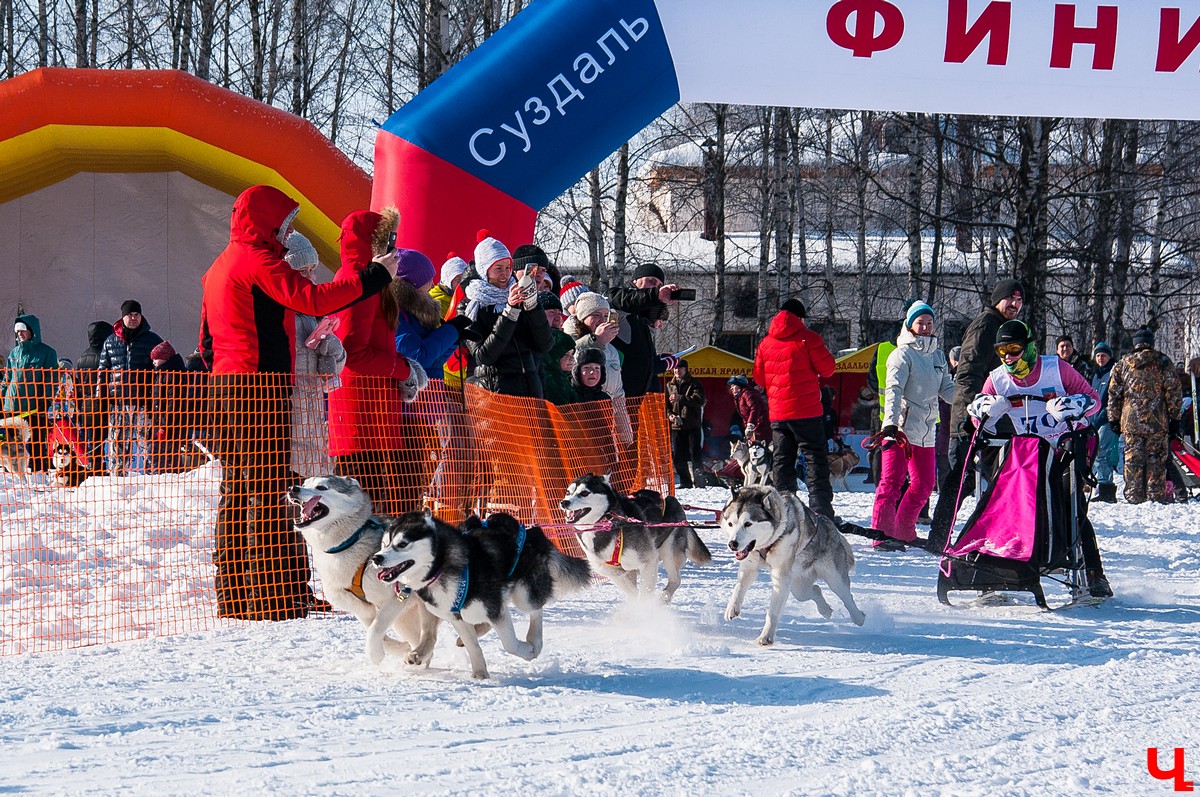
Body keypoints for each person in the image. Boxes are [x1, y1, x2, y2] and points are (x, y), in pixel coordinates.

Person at [199, 184, 397, 621]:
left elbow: (206, 341)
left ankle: (235, 595)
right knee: (270, 489)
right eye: (284, 221)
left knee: (239, 488)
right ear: (266, 220)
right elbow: (311, 297)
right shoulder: (257, 258)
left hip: (227, 387)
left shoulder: (217, 267)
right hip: (261, 388)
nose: (288, 230)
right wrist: (374, 275)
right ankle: (271, 597)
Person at [970, 319, 1110, 598]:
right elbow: (976, 417)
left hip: (1067, 444)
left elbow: (1094, 400)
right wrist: (986, 409)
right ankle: (995, 570)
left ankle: (1094, 572)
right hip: (1028, 452)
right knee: (1006, 500)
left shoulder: (1056, 369)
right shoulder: (998, 378)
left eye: (1015, 348)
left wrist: (1073, 405)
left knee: (1071, 502)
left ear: (1029, 347)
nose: (1009, 357)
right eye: (1002, 350)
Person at [326, 209, 425, 518]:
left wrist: (402, 366)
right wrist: (402, 370)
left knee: (385, 510)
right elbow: (352, 354)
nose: (394, 250)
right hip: (361, 421)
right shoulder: (358, 281)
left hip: (376, 414)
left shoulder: (373, 282)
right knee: (363, 514)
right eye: (389, 242)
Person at [870, 302, 955, 548]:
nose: (926, 327)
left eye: (929, 323)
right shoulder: (902, 354)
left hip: (926, 430)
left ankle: (904, 531)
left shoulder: (938, 355)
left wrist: (967, 398)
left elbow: (946, 388)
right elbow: (894, 390)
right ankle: (882, 535)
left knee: (924, 484)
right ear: (910, 325)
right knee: (891, 483)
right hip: (900, 430)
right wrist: (890, 425)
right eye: (921, 323)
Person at [392, 247, 472, 510]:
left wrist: (456, 335)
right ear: (413, 283)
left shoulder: (418, 311)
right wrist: (450, 331)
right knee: (408, 481)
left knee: (417, 478)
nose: (432, 283)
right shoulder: (397, 313)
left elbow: (434, 360)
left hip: (424, 406)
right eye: (427, 279)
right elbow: (418, 355)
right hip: (406, 409)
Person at [753, 298, 838, 519]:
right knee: (814, 459)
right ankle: (821, 511)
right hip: (807, 411)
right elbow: (828, 368)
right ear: (800, 318)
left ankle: (783, 511)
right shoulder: (808, 339)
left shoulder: (765, 343)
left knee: (782, 461)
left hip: (779, 414)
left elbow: (760, 379)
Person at [283, 232, 347, 481]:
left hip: (311, 418)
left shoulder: (313, 312)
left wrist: (334, 352)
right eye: (303, 271)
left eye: (313, 269)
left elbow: (336, 368)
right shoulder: (283, 315)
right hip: (286, 420)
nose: (310, 277)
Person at [948, 278, 1024, 482]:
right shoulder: (986, 326)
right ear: (998, 299)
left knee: (1002, 482)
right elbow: (968, 374)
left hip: (1000, 418)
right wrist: (970, 416)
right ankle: (945, 516)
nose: (1015, 304)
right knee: (962, 482)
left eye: (1019, 299)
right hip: (974, 419)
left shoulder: (1008, 328)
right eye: (1010, 298)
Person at [462, 230, 552, 398]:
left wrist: (533, 307)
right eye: (498, 268)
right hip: (493, 395)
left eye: (507, 267)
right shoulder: (471, 305)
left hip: (528, 392)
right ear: (484, 270)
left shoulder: (518, 292)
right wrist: (509, 313)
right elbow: (484, 356)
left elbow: (544, 344)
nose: (504, 274)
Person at [1107, 327, 1183, 505]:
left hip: (1131, 422)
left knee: (1132, 459)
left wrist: (1113, 418)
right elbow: (1174, 392)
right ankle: (1155, 497)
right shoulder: (1163, 362)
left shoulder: (1122, 364)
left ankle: (1134, 495)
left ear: (1135, 344)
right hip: (1158, 422)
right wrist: (1175, 418)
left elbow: (1114, 394)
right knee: (1156, 459)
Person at [98, 300, 164, 476]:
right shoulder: (110, 342)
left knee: (147, 442)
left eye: (136, 315)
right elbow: (103, 371)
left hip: (144, 403)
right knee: (118, 442)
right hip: (118, 404)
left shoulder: (153, 340)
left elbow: (161, 370)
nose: (133, 318)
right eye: (130, 315)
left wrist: (157, 399)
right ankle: (117, 478)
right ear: (123, 317)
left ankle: (152, 477)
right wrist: (101, 400)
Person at [607, 263, 681, 397]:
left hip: (635, 398)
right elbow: (625, 299)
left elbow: (639, 359)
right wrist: (655, 295)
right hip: (616, 396)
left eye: (659, 285)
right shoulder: (619, 299)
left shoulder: (641, 318)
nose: (654, 287)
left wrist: (657, 361)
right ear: (635, 280)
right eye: (651, 281)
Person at [3, 314, 59, 472]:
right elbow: (7, 378)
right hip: (13, 405)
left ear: (31, 330)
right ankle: (12, 471)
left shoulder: (47, 353)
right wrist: (1, 395)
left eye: (22, 329)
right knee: (12, 441)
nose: (19, 333)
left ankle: (38, 470)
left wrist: (46, 399)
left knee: (36, 440)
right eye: (16, 330)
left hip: (34, 406)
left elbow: (51, 378)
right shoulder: (14, 353)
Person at [666, 359, 706, 489]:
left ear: (686, 369)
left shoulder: (694, 383)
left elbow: (699, 400)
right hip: (677, 426)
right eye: (675, 368)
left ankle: (699, 481)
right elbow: (666, 406)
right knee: (678, 456)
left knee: (695, 454)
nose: (677, 371)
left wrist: (681, 398)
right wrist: (670, 416)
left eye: (680, 368)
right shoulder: (669, 385)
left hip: (692, 425)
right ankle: (685, 482)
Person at [75, 320, 112, 460]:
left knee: (89, 442)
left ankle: (90, 469)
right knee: (100, 442)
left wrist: (79, 406)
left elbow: (78, 385)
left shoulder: (82, 358)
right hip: (101, 405)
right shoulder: (104, 357)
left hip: (85, 405)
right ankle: (98, 471)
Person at [1089, 342, 1119, 503]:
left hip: (1106, 419)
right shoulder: (1097, 375)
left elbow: (1112, 399)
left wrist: (1105, 417)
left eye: (1104, 355)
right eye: (1098, 356)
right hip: (1095, 418)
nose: (1101, 359)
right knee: (1097, 453)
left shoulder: (1112, 373)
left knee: (1103, 452)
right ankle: (1102, 485)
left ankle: (1106, 487)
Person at [727, 374, 770, 444]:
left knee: (759, 448)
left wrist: (750, 425)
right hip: (755, 427)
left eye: (733, 386)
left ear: (739, 386)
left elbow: (755, 408)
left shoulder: (747, 394)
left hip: (760, 426)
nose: (731, 388)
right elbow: (745, 415)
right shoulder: (740, 397)